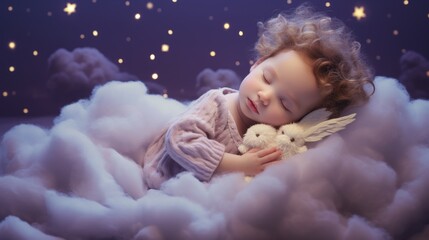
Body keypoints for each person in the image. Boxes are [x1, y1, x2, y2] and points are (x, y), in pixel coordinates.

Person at [141, 4, 374, 189]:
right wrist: (239, 165)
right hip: (164, 178)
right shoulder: (217, 104)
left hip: (201, 193)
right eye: (267, 78)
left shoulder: (270, 134)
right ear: (258, 63)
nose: (265, 96)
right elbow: (180, 139)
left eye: (284, 103)